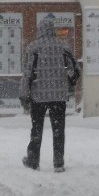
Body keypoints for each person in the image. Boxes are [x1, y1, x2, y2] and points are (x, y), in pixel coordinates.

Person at [19, 18, 79, 173]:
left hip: (38, 95)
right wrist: (68, 84)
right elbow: (75, 70)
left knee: (36, 129)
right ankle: (58, 162)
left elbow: (27, 73)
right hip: (59, 96)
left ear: (40, 30)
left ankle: (33, 161)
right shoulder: (64, 46)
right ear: (53, 29)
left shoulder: (33, 47)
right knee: (59, 129)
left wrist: (24, 94)